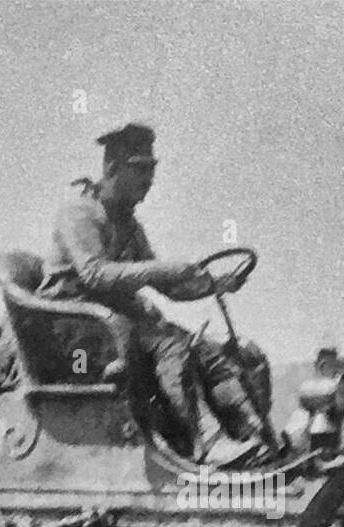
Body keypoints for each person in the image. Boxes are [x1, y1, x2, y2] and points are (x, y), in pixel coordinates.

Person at [40, 122, 278, 462]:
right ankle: (204, 444)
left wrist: (216, 284)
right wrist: (162, 269)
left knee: (206, 350)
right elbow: (94, 274)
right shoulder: (79, 213)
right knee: (170, 346)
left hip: (110, 326)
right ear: (111, 168)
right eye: (139, 169)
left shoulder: (129, 226)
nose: (148, 180)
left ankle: (252, 435)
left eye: (151, 170)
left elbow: (168, 287)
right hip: (72, 328)